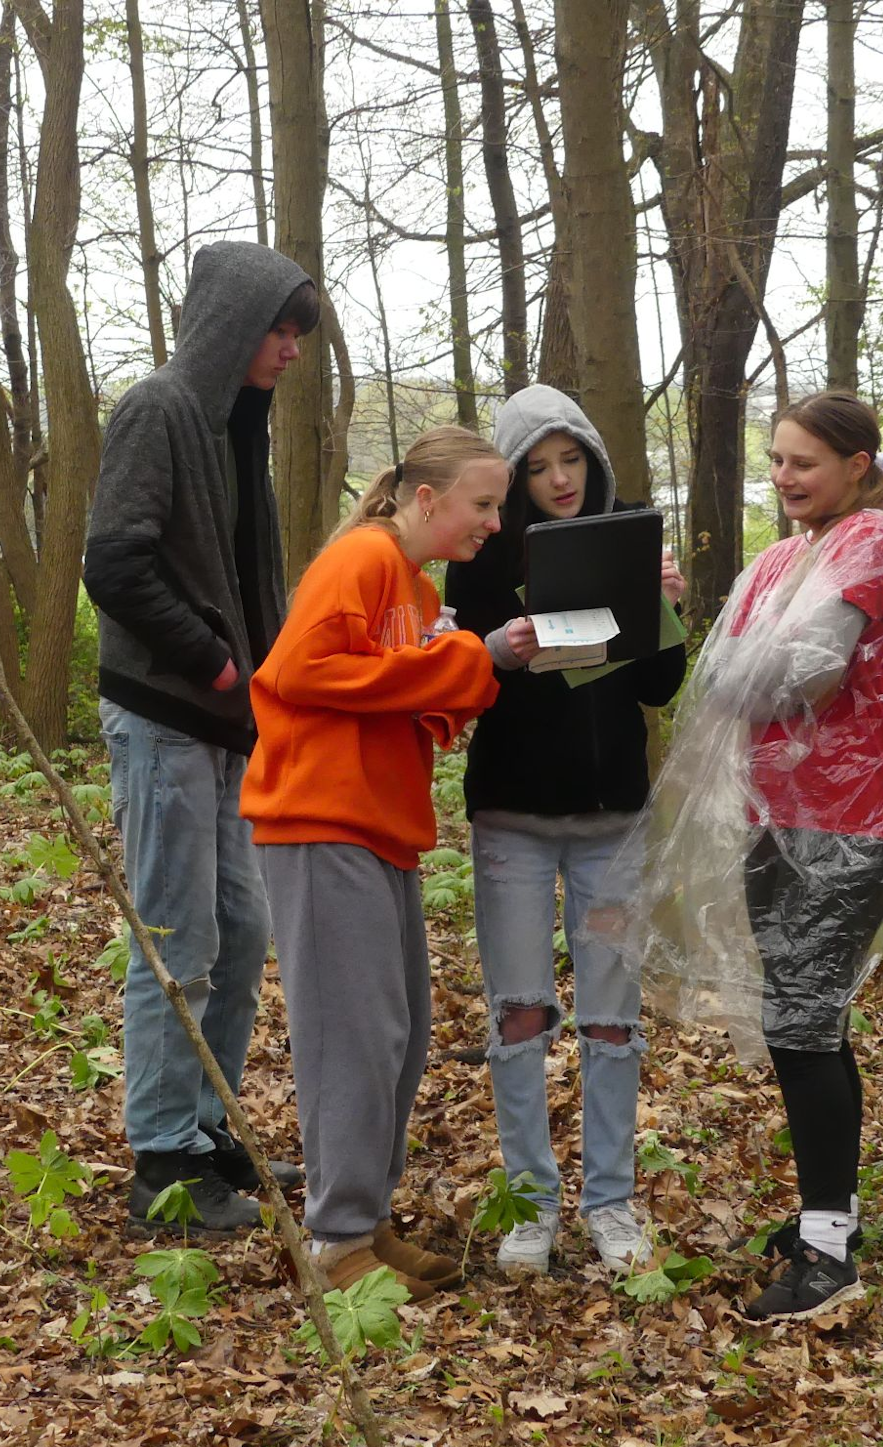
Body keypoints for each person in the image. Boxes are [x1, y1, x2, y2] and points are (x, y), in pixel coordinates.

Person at [635, 390, 883, 1319]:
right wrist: (732, 656)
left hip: (850, 826)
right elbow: (723, 669)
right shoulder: (788, 557)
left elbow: (792, 673)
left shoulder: (870, 542)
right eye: (775, 459)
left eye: (803, 461)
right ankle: (826, 1220)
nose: (784, 476)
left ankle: (830, 1254)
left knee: (802, 1033)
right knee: (811, 1027)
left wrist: (739, 660)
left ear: (856, 464)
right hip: (783, 820)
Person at [241, 425, 531, 1297]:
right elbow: (301, 671)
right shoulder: (364, 556)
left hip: (378, 822)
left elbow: (404, 694)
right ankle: (336, 1242)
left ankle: (362, 1218)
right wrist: (471, 656)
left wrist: (476, 669)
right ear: (427, 499)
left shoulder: (414, 582)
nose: (491, 523)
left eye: (498, 508)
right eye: (482, 506)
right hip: (319, 817)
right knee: (353, 1038)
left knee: (396, 1037)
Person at [83, 241, 318, 1237]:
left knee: (241, 930)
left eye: (299, 334)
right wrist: (217, 664)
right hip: (167, 715)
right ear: (231, 322)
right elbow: (115, 564)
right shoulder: (160, 410)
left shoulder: (234, 426)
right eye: (279, 329)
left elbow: (243, 573)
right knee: (175, 938)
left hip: (229, 728)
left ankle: (203, 1124)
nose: (291, 351)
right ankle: (161, 1162)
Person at [443, 385, 688, 1277]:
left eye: (571, 459)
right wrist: (504, 647)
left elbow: (658, 688)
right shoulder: (479, 552)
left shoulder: (629, 533)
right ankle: (530, 1205)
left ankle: (612, 1204)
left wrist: (665, 608)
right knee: (517, 1015)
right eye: (538, 466)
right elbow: (464, 682)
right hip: (511, 816)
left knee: (612, 1021)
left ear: (593, 456)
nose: (559, 480)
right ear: (512, 478)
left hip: (612, 820)